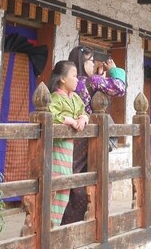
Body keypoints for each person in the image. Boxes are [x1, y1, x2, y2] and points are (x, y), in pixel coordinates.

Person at [61, 46, 126, 224]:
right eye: (91, 61)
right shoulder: (91, 82)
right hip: (88, 137)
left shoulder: (71, 83)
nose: (93, 64)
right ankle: (88, 219)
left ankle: (66, 221)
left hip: (71, 137)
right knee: (90, 177)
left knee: (72, 179)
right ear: (83, 62)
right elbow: (119, 88)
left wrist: (99, 76)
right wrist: (114, 70)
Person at [48, 60, 88, 226]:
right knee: (55, 189)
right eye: (74, 75)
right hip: (56, 151)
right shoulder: (55, 97)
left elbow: (83, 110)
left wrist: (83, 118)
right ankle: (48, 225)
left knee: (65, 188)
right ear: (62, 79)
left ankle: (55, 226)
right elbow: (50, 115)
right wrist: (67, 120)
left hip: (69, 152)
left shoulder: (76, 98)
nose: (77, 79)